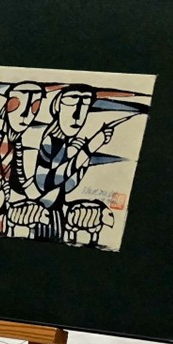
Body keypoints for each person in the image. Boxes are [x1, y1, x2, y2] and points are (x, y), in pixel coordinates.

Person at [34, 84, 113, 241]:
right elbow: (45, 183)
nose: (77, 114)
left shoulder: (67, 144)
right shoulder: (50, 141)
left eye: (85, 104)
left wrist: (81, 156)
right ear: (58, 105)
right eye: (71, 101)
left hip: (58, 216)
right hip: (45, 215)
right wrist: (89, 149)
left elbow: (68, 186)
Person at [0, 82, 44, 234]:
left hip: (2, 216)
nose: (25, 114)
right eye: (17, 104)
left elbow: (19, 183)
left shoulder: (20, 144)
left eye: (34, 107)